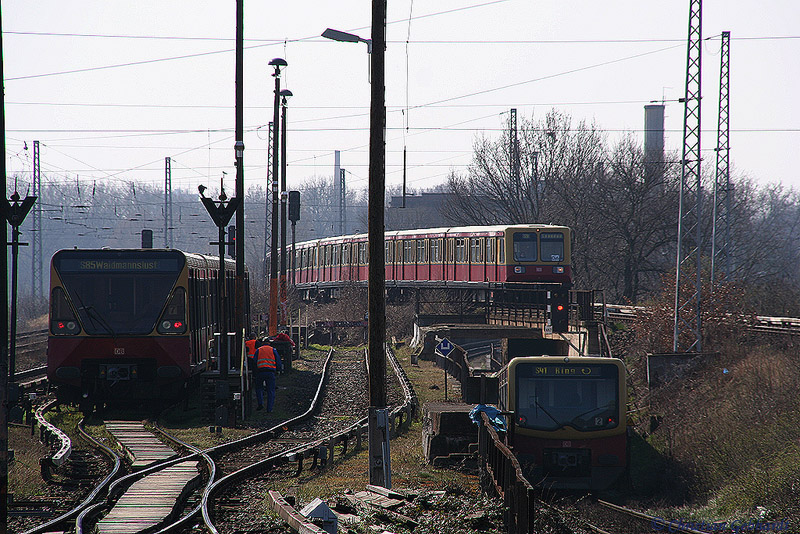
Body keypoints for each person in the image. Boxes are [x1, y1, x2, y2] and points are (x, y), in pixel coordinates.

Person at [250, 338, 283, 412]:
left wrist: (254, 372)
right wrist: (279, 370)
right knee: (271, 390)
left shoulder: (258, 350)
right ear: (269, 343)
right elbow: (278, 361)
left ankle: (260, 404)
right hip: (270, 372)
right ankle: (269, 409)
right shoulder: (273, 350)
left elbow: (254, 362)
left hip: (260, 372)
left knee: (259, 388)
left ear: (263, 343)